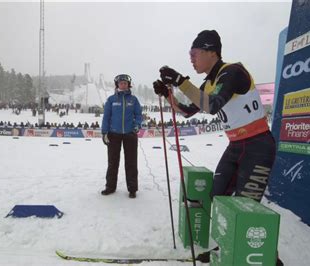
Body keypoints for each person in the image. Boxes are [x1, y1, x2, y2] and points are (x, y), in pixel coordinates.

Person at [153, 30, 281, 265]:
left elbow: (212, 106)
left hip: (257, 146)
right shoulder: (208, 83)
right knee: (218, 196)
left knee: (247, 208)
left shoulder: (232, 72)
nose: (191, 59)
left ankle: (270, 258)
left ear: (211, 51)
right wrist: (168, 95)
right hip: (236, 145)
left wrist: (181, 81)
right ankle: (224, 248)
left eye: (194, 53)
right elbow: (188, 111)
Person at [101, 74, 142, 198]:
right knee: (113, 162)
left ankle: (132, 189)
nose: (123, 85)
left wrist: (137, 125)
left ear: (128, 85)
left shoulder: (133, 100)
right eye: (121, 83)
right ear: (117, 85)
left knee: (131, 162)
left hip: (130, 134)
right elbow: (106, 117)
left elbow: (139, 115)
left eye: (125, 83)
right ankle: (110, 187)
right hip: (114, 135)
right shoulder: (111, 100)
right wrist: (104, 132)